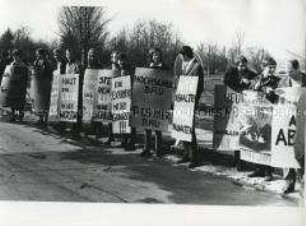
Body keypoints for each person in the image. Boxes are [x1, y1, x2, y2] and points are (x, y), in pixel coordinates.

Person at [248, 57, 280, 181]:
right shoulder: (257, 78)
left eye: (274, 67)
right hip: (256, 113)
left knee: (266, 140)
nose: (272, 69)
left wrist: (271, 92)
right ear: (264, 67)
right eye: (270, 67)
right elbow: (249, 93)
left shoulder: (276, 81)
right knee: (256, 138)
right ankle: (258, 168)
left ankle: (268, 171)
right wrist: (256, 87)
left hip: (269, 115)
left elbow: (277, 98)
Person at [175, 46, 204, 168]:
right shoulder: (185, 66)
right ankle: (186, 153)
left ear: (185, 55)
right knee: (183, 127)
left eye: (182, 56)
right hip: (183, 100)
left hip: (190, 100)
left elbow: (200, 86)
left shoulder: (197, 66)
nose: (182, 58)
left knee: (190, 129)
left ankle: (194, 158)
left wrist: (194, 98)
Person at [140, 47, 166, 158]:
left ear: (161, 56)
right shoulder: (147, 68)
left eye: (158, 55)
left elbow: (167, 84)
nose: (156, 57)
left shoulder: (165, 68)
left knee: (158, 126)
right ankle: (147, 148)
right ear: (152, 56)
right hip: (148, 100)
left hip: (159, 101)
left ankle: (158, 149)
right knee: (147, 126)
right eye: (154, 55)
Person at [0, 49, 29, 121]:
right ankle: (12, 116)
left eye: (15, 56)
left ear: (18, 56)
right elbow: (9, 73)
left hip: (19, 86)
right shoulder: (12, 64)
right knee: (12, 101)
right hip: (12, 85)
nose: (14, 57)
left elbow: (24, 75)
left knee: (19, 101)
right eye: (13, 56)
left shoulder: (23, 65)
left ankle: (21, 115)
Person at [116, 52, 136, 150]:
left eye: (122, 60)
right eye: (119, 60)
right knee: (122, 119)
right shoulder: (116, 71)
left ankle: (131, 142)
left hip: (130, 97)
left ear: (126, 60)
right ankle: (124, 140)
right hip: (120, 98)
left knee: (131, 121)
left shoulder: (131, 69)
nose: (121, 62)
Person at [32, 48, 55, 125]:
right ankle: (40, 118)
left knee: (45, 101)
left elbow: (47, 71)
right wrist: (37, 60)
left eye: (38, 54)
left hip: (45, 83)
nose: (37, 56)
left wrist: (44, 60)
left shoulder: (47, 62)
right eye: (37, 54)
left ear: (42, 54)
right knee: (39, 101)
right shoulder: (38, 61)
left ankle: (45, 119)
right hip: (39, 83)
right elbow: (34, 68)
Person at [65, 48, 83, 136]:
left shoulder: (77, 64)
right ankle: (71, 127)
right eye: (67, 54)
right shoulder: (67, 64)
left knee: (77, 109)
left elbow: (80, 76)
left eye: (70, 54)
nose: (69, 56)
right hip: (69, 91)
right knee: (70, 108)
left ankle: (77, 129)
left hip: (77, 90)